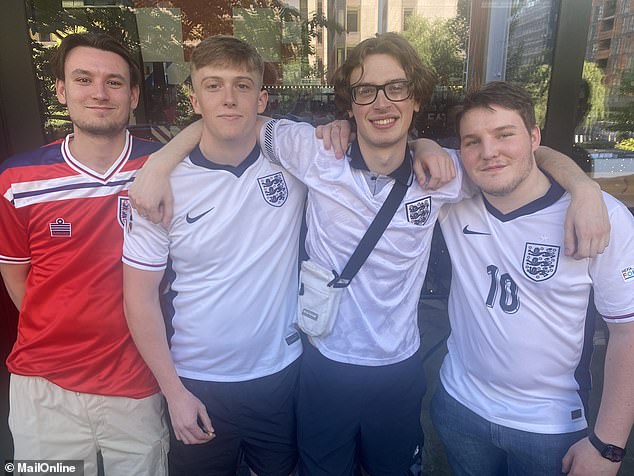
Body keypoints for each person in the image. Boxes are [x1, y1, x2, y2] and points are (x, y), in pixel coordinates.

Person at [129, 34, 608, 475]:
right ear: (350, 106)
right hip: (321, 365)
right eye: (366, 91)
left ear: (416, 98)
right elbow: (233, 118)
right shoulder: (313, 153)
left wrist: (583, 188)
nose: (382, 102)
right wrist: (161, 162)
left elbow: (522, 152)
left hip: (399, 371)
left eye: (396, 88)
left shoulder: (444, 173)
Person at [122, 35, 306, 476]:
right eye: (213, 85)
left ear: (262, 97)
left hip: (280, 376)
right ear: (194, 96)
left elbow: (373, 147)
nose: (228, 98)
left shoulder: (295, 164)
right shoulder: (159, 189)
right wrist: (174, 392)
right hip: (198, 382)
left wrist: (426, 147)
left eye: (242, 86)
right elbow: (139, 298)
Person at [430, 81, 634, 476]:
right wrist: (423, 146)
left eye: (505, 135)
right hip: (459, 406)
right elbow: (400, 154)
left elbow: (628, 334)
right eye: (472, 142)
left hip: (551, 425)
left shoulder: (601, 219)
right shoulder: (453, 198)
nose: (489, 152)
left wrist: (607, 446)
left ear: (534, 137)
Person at [0, 32, 168, 475]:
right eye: (83, 78)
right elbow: (17, 278)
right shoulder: (18, 179)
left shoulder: (164, 167)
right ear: (61, 90)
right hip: (43, 388)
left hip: (137, 382)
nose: (99, 92)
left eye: (114, 82)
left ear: (133, 95)